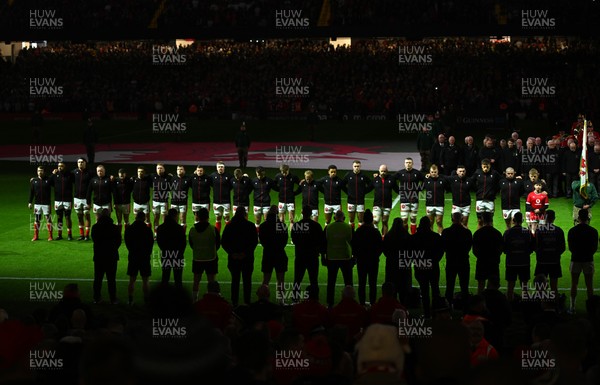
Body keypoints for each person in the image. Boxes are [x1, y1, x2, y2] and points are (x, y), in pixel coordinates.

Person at [222, 206, 259, 306]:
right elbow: (254, 242)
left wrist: (232, 253)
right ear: (244, 214)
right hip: (247, 259)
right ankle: (247, 302)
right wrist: (245, 253)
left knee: (235, 281)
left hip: (234, 259)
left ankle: (234, 303)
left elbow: (224, 242)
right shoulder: (250, 226)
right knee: (247, 281)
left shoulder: (229, 226)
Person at [409, 216, 444, 319]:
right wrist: (434, 261)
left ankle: (427, 314)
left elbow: (410, 253)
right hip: (433, 267)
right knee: (435, 290)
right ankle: (435, 313)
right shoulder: (436, 236)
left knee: (424, 291)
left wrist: (417, 261)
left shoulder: (414, 237)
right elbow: (440, 252)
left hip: (420, 267)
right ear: (429, 225)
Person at [291, 205, 325, 302]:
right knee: (314, 280)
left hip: (300, 256)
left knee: (297, 280)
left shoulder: (297, 225)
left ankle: (295, 300)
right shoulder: (316, 226)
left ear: (302, 213)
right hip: (313, 257)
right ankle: (315, 299)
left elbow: (294, 239)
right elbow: (321, 241)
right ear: (311, 214)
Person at [567, 209, 599, 314]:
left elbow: (571, 247)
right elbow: (594, 247)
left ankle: (572, 307)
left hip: (576, 259)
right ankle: (591, 309)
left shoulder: (572, 231)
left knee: (574, 284)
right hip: (588, 259)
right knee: (589, 285)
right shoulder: (593, 231)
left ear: (578, 218)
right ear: (588, 218)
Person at [441, 212, 473, 311]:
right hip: (463, 261)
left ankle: (447, 309)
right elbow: (468, 247)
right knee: (464, 287)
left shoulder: (446, 232)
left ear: (452, 219)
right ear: (462, 219)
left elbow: (443, 247)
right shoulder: (467, 232)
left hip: (451, 262)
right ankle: (465, 310)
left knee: (449, 286)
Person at [351, 209, 383, 306]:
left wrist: (356, 256)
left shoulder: (358, 231)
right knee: (372, 283)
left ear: (364, 219)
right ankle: (373, 304)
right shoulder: (375, 232)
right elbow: (380, 247)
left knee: (362, 283)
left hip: (361, 261)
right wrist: (376, 255)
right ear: (371, 220)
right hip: (373, 261)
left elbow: (353, 246)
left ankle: (362, 304)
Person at [189, 207, 220, 301]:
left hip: (197, 258)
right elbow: (218, 244)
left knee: (196, 281)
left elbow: (191, 244)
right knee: (211, 281)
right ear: (208, 217)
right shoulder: (213, 229)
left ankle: (194, 300)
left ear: (197, 217)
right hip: (211, 258)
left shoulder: (192, 230)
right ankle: (212, 300)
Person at [259, 206, 289, 304]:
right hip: (279, 254)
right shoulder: (282, 225)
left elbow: (262, 240)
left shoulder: (263, 226)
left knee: (266, 280)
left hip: (268, 254)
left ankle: (263, 301)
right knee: (281, 280)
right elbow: (285, 240)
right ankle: (281, 301)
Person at [324, 210, 353, 308]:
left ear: (334, 218)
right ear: (344, 218)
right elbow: (353, 243)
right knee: (348, 282)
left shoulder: (328, 228)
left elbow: (324, 243)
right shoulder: (348, 227)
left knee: (331, 282)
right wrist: (354, 257)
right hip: (345, 258)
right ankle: (350, 302)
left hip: (332, 258)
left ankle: (330, 303)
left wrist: (324, 257)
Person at [91, 208, 121, 304]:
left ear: (100, 216)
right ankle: (113, 299)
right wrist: (113, 248)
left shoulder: (95, 227)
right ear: (109, 216)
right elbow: (118, 242)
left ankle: (96, 298)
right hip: (111, 256)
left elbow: (94, 239)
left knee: (98, 279)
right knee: (111, 279)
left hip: (99, 256)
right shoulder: (115, 228)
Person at [503, 212, 534, 302]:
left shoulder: (507, 232)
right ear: (522, 220)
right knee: (525, 286)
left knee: (510, 286)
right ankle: (525, 307)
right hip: (524, 262)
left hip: (511, 263)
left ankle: (509, 308)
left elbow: (504, 248)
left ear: (513, 220)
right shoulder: (527, 232)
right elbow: (532, 247)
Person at [534, 210, 565, 300]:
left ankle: (541, 306)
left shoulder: (539, 231)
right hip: (554, 261)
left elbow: (536, 246)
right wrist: (555, 254)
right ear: (554, 218)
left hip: (542, 262)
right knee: (554, 286)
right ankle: (554, 307)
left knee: (540, 286)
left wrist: (541, 254)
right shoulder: (559, 231)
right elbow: (562, 247)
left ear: (544, 218)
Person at [124, 211, 153, 305]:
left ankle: (130, 299)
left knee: (131, 280)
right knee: (146, 281)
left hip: (133, 256)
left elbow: (127, 241)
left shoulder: (129, 229)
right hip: (144, 257)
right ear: (144, 218)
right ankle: (146, 300)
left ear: (136, 217)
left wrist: (131, 251)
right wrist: (147, 253)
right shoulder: (147, 229)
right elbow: (150, 243)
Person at [473, 212, 504, 294]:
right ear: (491, 220)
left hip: (481, 262)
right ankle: (492, 304)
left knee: (481, 285)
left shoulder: (478, 233)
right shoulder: (497, 233)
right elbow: (500, 249)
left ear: (482, 220)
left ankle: (480, 304)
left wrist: (481, 257)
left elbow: (474, 250)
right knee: (493, 286)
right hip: (494, 262)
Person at [383, 217, 412, 305]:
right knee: (404, 288)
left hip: (392, 265)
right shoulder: (407, 236)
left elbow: (385, 250)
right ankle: (403, 308)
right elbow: (411, 251)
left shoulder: (388, 236)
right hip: (404, 264)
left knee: (392, 287)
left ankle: (392, 307)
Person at [156, 208, 186, 289]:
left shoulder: (161, 228)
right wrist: (180, 253)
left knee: (165, 278)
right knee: (178, 279)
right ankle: (179, 300)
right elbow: (183, 243)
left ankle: (163, 300)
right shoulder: (179, 228)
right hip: (177, 256)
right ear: (175, 216)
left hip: (166, 255)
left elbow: (159, 242)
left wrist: (164, 250)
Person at [395, 158, 423, 234]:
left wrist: (419, 189)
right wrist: (398, 190)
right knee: (404, 220)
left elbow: (425, 181)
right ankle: (405, 236)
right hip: (404, 200)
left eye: (410, 162)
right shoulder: (400, 173)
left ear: (412, 164)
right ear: (404, 164)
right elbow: (391, 180)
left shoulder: (417, 173)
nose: (408, 164)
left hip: (414, 199)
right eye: (407, 162)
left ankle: (413, 236)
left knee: (413, 219)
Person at [471, 159, 501, 229]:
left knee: (490, 221)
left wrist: (494, 191)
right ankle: (478, 237)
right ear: (481, 166)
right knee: (480, 221)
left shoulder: (494, 173)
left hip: (490, 201)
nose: (485, 169)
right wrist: (477, 190)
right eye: (484, 167)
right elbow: (471, 181)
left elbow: (502, 181)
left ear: (490, 166)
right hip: (479, 201)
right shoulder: (477, 172)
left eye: (487, 167)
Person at [343, 160, 373, 229]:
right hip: (351, 201)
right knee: (351, 220)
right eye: (355, 166)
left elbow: (371, 185)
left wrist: (364, 192)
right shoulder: (348, 175)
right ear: (352, 167)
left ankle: (360, 235)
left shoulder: (364, 176)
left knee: (360, 220)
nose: (356, 168)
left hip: (360, 201)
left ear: (360, 167)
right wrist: (348, 192)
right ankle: (352, 233)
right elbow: (342, 185)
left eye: (358, 166)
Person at [372, 164, 399, 236]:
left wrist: (405, 193)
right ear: (379, 171)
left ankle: (384, 238)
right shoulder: (375, 179)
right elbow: (368, 188)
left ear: (387, 171)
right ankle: (376, 236)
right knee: (375, 221)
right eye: (381, 171)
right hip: (377, 204)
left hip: (387, 205)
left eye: (384, 171)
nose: (383, 172)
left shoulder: (391, 179)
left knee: (384, 221)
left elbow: (397, 190)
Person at [29, 166, 54, 241]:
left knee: (48, 219)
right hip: (37, 204)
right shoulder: (34, 181)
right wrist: (30, 202)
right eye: (38, 171)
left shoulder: (48, 180)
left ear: (44, 171)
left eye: (41, 171)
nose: (40, 172)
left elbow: (54, 181)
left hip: (46, 204)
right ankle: (36, 236)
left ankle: (50, 236)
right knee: (37, 219)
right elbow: (31, 192)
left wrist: (53, 174)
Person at [72, 158, 95, 240]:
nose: (80, 163)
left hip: (86, 198)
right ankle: (81, 235)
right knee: (79, 216)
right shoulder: (74, 172)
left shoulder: (90, 173)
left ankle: (87, 235)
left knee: (87, 216)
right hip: (77, 198)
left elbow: (98, 178)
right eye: (79, 162)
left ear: (85, 163)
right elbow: (64, 176)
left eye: (82, 162)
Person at [50, 162, 74, 240]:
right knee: (59, 217)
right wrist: (34, 179)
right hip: (58, 200)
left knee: (67, 217)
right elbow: (47, 181)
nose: (60, 167)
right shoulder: (55, 175)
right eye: (59, 166)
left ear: (65, 167)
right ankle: (59, 235)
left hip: (67, 200)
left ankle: (69, 234)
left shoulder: (70, 175)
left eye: (62, 166)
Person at [423, 164, 448, 233]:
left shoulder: (442, 180)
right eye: (432, 172)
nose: (433, 173)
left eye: (435, 172)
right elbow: (420, 187)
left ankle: (440, 238)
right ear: (429, 172)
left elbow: (448, 187)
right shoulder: (426, 180)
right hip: (429, 204)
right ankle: (431, 239)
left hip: (439, 204)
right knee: (430, 223)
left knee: (439, 222)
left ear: (437, 172)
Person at [210, 161, 234, 233]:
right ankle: (217, 235)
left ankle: (228, 234)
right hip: (216, 201)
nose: (220, 168)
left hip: (226, 201)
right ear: (216, 168)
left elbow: (233, 184)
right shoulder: (212, 176)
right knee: (218, 218)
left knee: (227, 217)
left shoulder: (229, 176)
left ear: (224, 168)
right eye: (219, 167)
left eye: (222, 167)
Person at [151, 163, 173, 239]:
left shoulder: (169, 177)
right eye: (158, 168)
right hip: (155, 201)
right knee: (156, 218)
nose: (159, 170)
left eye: (161, 168)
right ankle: (156, 233)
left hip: (164, 201)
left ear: (164, 169)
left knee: (164, 219)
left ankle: (164, 233)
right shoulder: (153, 176)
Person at [112, 168, 134, 235]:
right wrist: (115, 203)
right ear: (118, 174)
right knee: (119, 220)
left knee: (126, 219)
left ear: (125, 174)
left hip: (126, 203)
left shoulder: (129, 181)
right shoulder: (115, 181)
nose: (121, 174)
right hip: (118, 204)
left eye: (123, 173)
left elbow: (131, 189)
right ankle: (119, 234)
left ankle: (127, 234)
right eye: (120, 173)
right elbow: (114, 193)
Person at [171, 165, 192, 231]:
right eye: (178, 169)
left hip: (183, 202)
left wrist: (194, 173)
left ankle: (182, 234)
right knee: (174, 219)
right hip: (174, 202)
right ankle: (175, 234)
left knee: (182, 219)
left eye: (181, 169)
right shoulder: (173, 178)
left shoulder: (188, 179)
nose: (179, 170)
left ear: (184, 171)